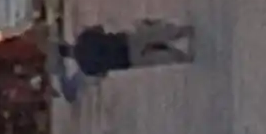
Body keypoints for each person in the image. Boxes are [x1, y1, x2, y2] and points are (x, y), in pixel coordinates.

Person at [66, 19, 196, 77]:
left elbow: (102, 74)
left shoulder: (85, 68)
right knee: (154, 35)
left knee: (155, 58)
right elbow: (100, 28)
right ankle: (181, 32)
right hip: (124, 42)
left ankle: (183, 57)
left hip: (125, 61)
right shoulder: (84, 37)